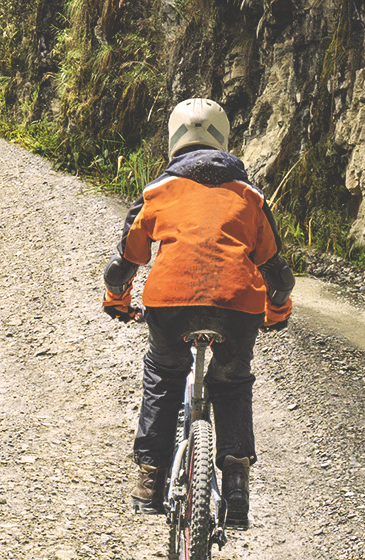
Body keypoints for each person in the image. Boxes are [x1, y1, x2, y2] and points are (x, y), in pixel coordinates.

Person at [101, 98, 294, 527]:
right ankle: (238, 481)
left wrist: (118, 300)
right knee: (232, 382)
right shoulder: (250, 197)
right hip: (237, 306)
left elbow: (123, 264)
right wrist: (276, 311)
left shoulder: (157, 192)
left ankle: (149, 479)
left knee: (164, 376)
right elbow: (278, 275)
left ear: (173, 140)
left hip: (169, 303)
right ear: (223, 139)